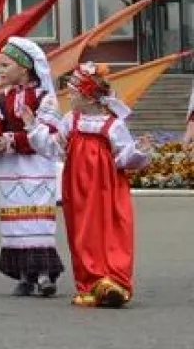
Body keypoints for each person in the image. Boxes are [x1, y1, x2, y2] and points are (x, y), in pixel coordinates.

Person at [44, 63, 152, 308]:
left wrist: (139, 152)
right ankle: (89, 284)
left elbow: (123, 157)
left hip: (107, 187)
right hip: (78, 186)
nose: (68, 97)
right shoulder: (71, 120)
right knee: (82, 233)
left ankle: (114, 281)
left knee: (111, 229)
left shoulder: (112, 125)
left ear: (87, 96)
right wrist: (35, 128)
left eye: (72, 92)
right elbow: (56, 148)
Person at [0, 37, 64, 298]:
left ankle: (45, 275)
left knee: (38, 220)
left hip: (36, 166)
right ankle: (25, 276)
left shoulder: (46, 99)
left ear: (24, 68)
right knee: (15, 223)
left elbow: (47, 133)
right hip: (9, 172)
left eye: (4, 65)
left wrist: (9, 141)